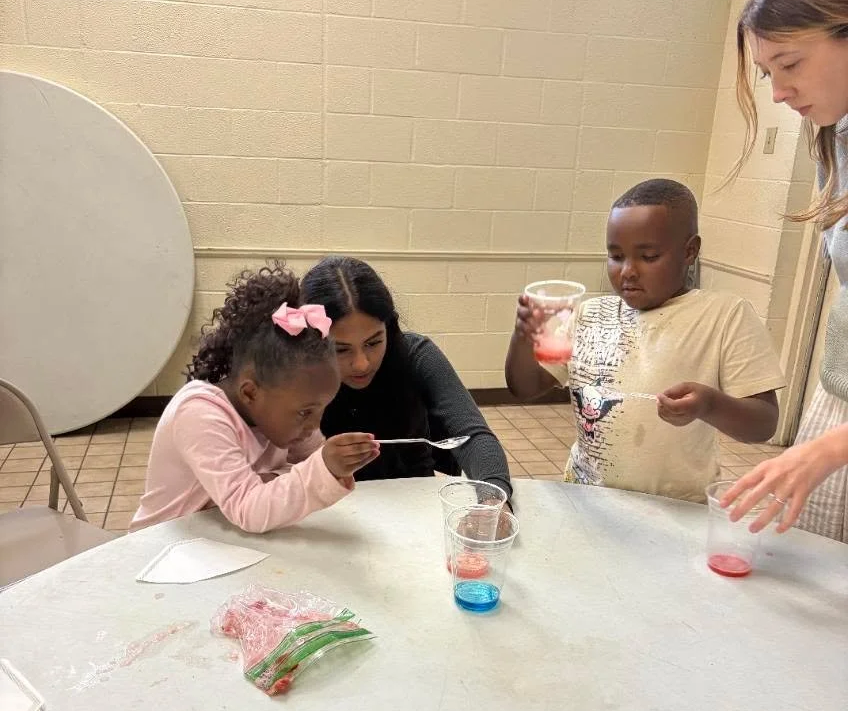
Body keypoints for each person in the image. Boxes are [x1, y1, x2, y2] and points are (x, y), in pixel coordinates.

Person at [505, 179, 785, 502]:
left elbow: (763, 424)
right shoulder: (588, 315)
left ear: (689, 251)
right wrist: (523, 336)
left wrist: (709, 404)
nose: (628, 271)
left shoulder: (724, 316)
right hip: (585, 499)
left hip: (675, 510)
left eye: (648, 256)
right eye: (616, 255)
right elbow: (525, 387)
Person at [723, 0, 848, 540]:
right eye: (768, 72)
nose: (779, 93)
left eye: (791, 64)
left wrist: (827, 449)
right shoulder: (837, 137)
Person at [130, 264, 378, 532]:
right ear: (250, 393)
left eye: (321, 410)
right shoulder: (198, 415)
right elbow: (249, 509)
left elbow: (309, 464)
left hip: (214, 540)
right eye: (305, 412)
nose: (313, 426)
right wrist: (322, 468)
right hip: (161, 545)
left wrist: (336, 463)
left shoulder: (278, 409)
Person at [299, 256, 513, 502]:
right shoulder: (292, 375)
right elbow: (271, 471)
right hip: (326, 506)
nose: (361, 363)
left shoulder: (415, 354)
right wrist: (322, 464)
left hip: (414, 500)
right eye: (341, 349)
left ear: (388, 327)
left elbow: (471, 436)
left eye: (373, 342)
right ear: (311, 342)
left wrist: (493, 500)